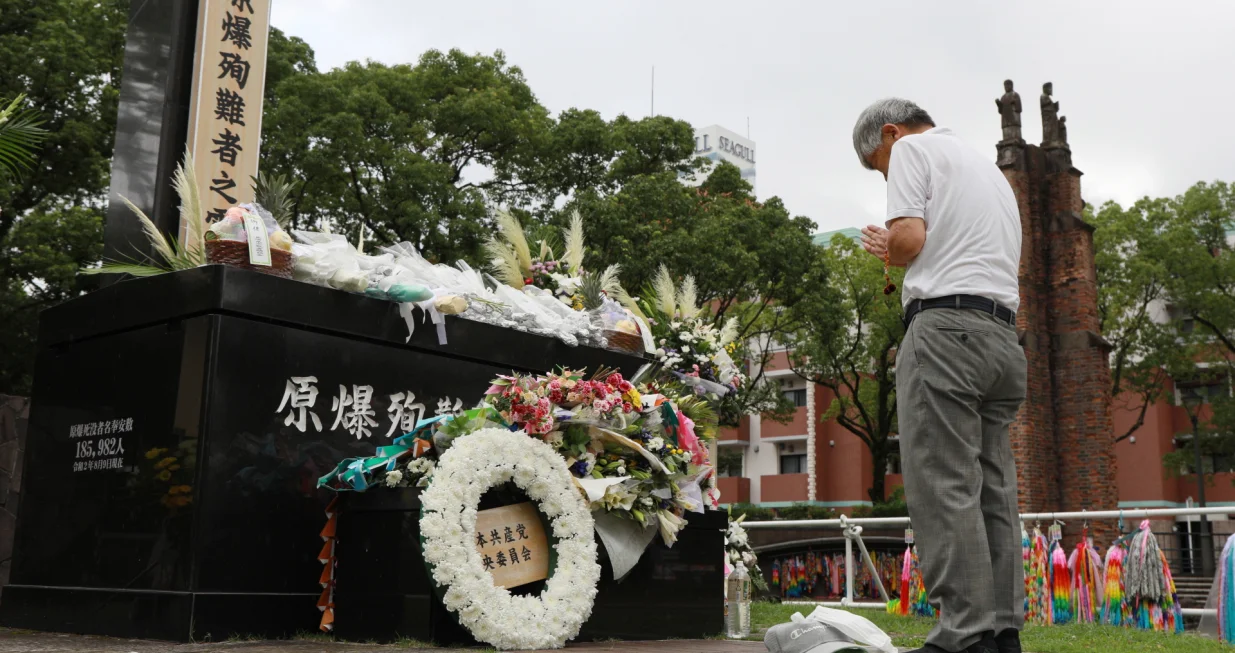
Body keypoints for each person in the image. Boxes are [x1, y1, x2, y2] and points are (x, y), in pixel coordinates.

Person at [851, 98, 1026, 653]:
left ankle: (964, 636)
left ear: (890, 132)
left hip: (946, 330)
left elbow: (910, 241)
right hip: (1003, 337)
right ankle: (1001, 632)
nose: (886, 172)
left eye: (878, 165)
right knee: (994, 489)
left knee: (943, 484)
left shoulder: (911, 150)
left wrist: (888, 244)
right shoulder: (987, 171)